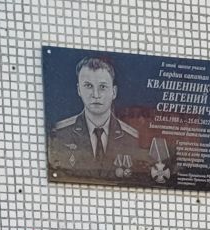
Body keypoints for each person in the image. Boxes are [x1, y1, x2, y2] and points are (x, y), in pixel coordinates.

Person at [46, 55, 146, 183]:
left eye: (103, 87)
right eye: (88, 86)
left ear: (114, 92)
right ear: (79, 90)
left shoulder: (132, 138)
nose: (96, 95)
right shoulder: (60, 134)